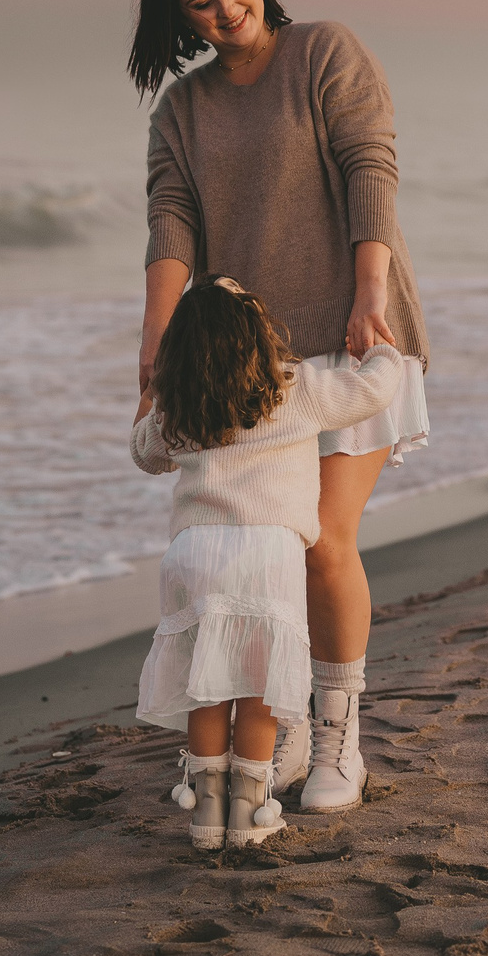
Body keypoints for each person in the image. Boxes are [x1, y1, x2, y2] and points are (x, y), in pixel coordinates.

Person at [130, 0, 432, 811]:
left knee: (321, 542)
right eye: (202, 3)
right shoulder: (182, 110)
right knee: (269, 549)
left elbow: (370, 167)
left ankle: (337, 735)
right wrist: (155, 352)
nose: (227, 9)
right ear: (182, 19)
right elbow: (171, 226)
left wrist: (369, 294)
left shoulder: (324, 53)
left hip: (354, 334)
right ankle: (287, 719)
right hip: (250, 364)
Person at [133, 278, 407, 849]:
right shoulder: (294, 387)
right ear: (256, 333)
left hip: (194, 554)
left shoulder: (180, 406)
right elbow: (376, 391)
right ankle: (250, 811)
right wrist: (381, 347)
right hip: (267, 551)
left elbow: (145, 454)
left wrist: (152, 393)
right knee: (259, 683)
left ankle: (207, 811)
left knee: (208, 684)